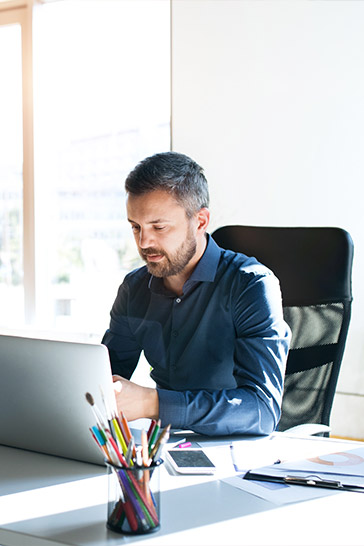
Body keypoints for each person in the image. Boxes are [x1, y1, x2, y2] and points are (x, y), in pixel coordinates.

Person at [102, 151, 291, 436]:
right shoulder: (134, 289)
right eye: (136, 227)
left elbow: (262, 411)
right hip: (165, 447)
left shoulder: (251, 285)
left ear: (200, 221)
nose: (144, 241)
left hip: (239, 451)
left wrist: (153, 403)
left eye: (159, 227)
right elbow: (102, 379)